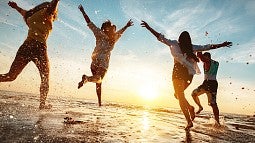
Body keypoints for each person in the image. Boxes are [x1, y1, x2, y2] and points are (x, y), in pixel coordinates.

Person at [141, 20, 232, 130]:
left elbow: (160, 37)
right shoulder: (191, 47)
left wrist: (148, 27)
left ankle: (189, 121)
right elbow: (207, 47)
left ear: (180, 38)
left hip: (178, 71)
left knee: (180, 96)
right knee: (179, 95)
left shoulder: (175, 43)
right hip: (189, 74)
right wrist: (221, 45)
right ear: (189, 40)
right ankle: (190, 108)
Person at [0, 0, 60, 109]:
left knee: (10, 76)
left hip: (26, 47)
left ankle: (42, 104)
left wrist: (16, 7)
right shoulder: (47, 13)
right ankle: (42, 105)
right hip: (39, 48)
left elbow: (23, 12)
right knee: (45, 79)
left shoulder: (31, 17)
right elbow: (52, 7)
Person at [77, 4, 133, 106]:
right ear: (108, 28)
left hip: (94, 60)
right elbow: (120, 32)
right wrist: (126, 26)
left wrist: (83, 11)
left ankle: (99, 103)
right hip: (103, 61)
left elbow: (89, 23)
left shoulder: (99, 33)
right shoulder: (113, 38)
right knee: (99, 79)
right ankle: (87, 79)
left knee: (98, 83)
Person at [191, 52, 220, 125]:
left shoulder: (207, 61)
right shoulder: (216, 63)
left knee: (213, 104)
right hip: (212, 83)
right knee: (213, 104)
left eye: (205, 58)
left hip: (208, 83)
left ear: (208, 57)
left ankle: (217, 122)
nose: (203, 61)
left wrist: (199, 50)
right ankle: (217, 122)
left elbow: (200, 56)